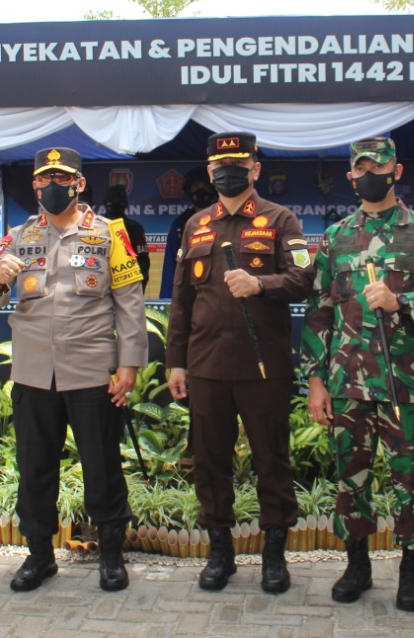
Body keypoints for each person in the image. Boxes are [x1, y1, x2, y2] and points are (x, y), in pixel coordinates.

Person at [0, 147, 147, 593]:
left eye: (61, 178)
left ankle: (111, 555)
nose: (51, 186)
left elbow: (130, 303)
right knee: (34, 468)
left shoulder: (109, 234)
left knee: (101, 465)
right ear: (34, 185)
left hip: (92, 371)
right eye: (43, 179)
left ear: (79, 184)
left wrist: (128, 364)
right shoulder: (19, 235)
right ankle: (39, 556)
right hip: (34, 373)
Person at [303, 137, 414, 612]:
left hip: (403, 386)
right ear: (351, 176)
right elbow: (318, 313)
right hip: (348, 385)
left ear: (397, 170)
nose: (369, 174)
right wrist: (314, 380)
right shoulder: (335, 238)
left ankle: (412, 570)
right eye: (361, 168)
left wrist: (403, 302)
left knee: (411, 480)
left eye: (378, 165)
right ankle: (357, 565)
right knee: (351, 481)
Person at [167, 132, 313, 594]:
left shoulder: (280, 219)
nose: (228, 171)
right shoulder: (195, 225)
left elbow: (304, 277)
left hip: (262, 366)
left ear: (255, 169)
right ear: (210, 173)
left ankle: (274, 555)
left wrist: (261, 285)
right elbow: (181, 300)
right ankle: (220, 552)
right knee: (210, 463)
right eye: (219, 165)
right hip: (206, 364)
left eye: (239, 162)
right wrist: (176, 363)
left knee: (272, 459)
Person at [160, 167, 216, 298]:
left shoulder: (224, 218)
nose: (199, 190)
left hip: (218, 292)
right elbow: (170, 268)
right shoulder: (181, 224)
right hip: (188, 291)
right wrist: (166, 301)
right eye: (194, 187)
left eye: (204, 186)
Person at [102, 184, 150, 290]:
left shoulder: (134, 229)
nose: (116, 204)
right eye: (113, 201)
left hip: (128, 287)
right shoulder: (97, 227)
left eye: (119, 201)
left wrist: (137, 290)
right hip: (102, 287)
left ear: (125, 204)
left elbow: (143, 263)